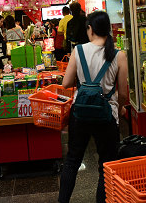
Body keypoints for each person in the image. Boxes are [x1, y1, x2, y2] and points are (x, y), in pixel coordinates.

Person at [58, 11, 128, 203]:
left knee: (72, 161)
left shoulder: (78, 51)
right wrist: (120, 109)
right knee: (106, 164)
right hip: (107, 115)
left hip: (80, 113)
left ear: (90, 29)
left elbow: (66, 83)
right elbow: (123, 93)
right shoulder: (118, 55)